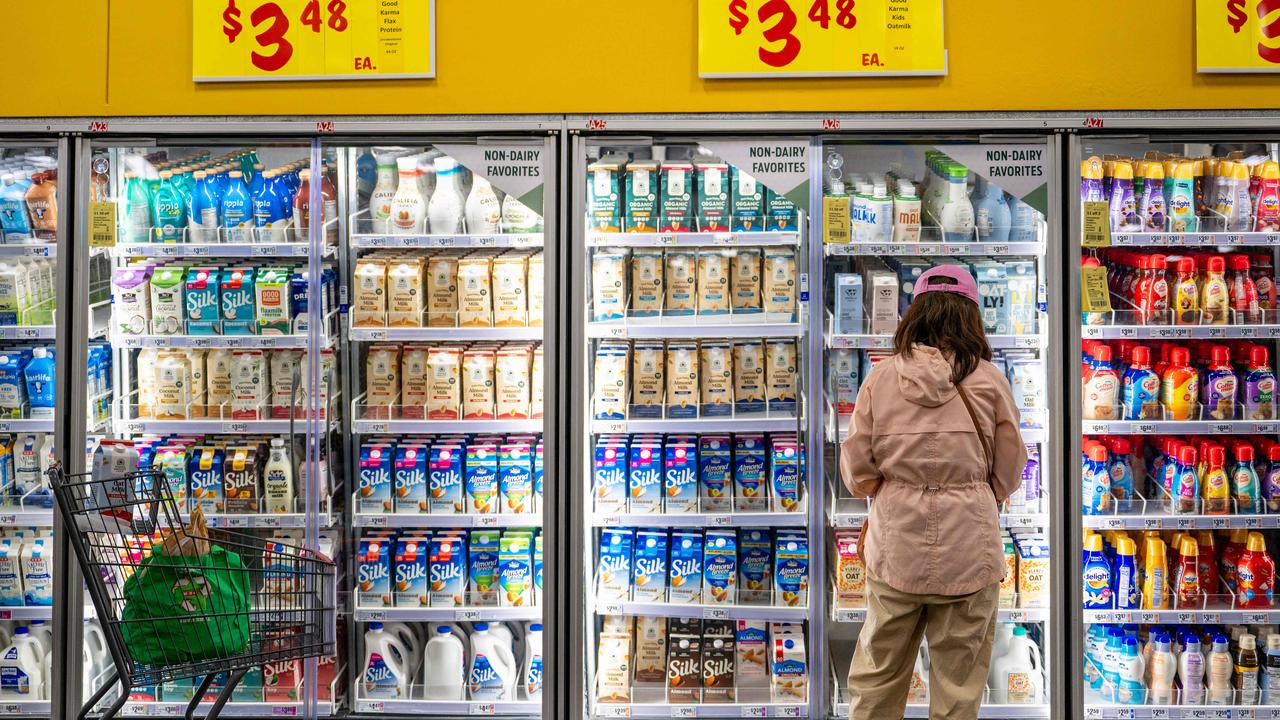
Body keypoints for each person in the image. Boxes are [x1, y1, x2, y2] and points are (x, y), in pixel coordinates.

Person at [840, 265, 1028, 720]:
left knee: (877, 680)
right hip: (971, 551)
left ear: (914, 314)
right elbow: (1009, 472)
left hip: (897, 551)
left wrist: (892, 487)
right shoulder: (989, 381)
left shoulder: (881, 380)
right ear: (972, 316)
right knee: (958, 690)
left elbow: (858, 473)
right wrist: (977, 494)